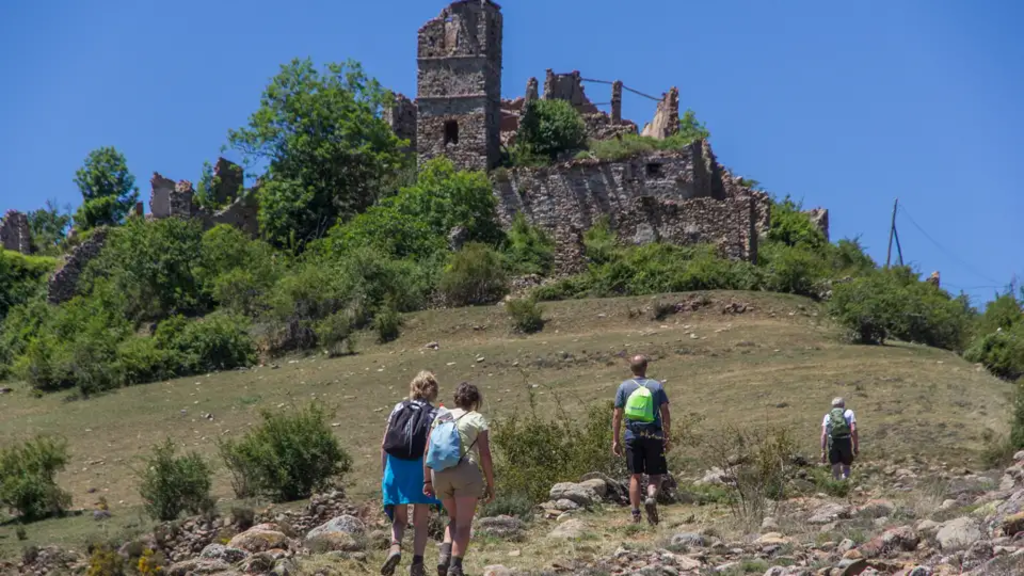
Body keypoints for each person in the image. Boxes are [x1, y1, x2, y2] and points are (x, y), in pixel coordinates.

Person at [380, 371, 452, 576]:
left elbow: (384, 443)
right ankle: (417, 564)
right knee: (421, 521)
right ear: (434, 391)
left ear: (413, 388)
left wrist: (385, 473)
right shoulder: (437, 413)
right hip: (422, 467)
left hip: (396, 466)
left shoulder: (398, 408)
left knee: (399, 518)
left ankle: (395, 547)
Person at [424, 382, 495, 576]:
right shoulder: (477, 418)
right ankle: (455, 568)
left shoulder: (442, 416)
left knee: (453, 519)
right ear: (475, 401)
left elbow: (427, 451)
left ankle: (444, 557)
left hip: (439, 473)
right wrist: (490, 484)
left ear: (456, 399)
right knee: (463, 524)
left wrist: (427, 481)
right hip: (465, 471)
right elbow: (485, 454)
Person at [612, 354, 671, 525]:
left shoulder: (624, 387)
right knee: (655, 475)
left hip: (632, 435)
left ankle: (635, 513)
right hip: (653, 435)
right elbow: (665, 412)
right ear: (646, 367)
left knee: (635, 476)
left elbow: (617, 415)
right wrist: (667, 436)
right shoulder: (656, 386)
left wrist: (615, 440)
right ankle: (651, 497)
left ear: (631, 368)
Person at [821, 397, 858, 481]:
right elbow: (853, 430)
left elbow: (824, 434)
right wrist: (856, 446)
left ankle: (837, 482)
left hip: (832, 441)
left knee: (835, 465)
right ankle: (845, 481)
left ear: (832, 406)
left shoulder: (828, 416)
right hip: (845, 441)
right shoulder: (849, 413)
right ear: (843, 405)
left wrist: (823, 451)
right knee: (846, 465)